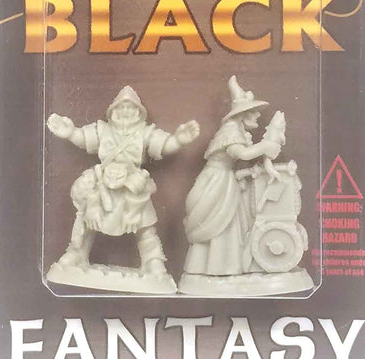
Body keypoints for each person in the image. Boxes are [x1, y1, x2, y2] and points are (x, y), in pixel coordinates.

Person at [47, 85, 200, 275]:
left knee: (144, 225)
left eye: (130, 107)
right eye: (121, 107)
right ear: (113, 110)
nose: (125, 111)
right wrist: (71, 133)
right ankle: (77, 252)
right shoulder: (103, 130)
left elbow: (162, 145)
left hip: (133, 185)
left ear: (138, 112)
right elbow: (85, 138)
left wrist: (178, 140)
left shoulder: (144, 132)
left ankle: (152, 259)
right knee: (89, 218)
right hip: (103, 183)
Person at [183, 75, 282, 277]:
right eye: (253, 112)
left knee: (229, 222)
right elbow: (241, 154)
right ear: (242, 114)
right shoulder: (230, 131)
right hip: (216, 181)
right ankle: (213, 267)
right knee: (218, 221)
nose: (257, 116)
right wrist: (265, 146)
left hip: (225, 178)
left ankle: (225, 265)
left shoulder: (239, 131)